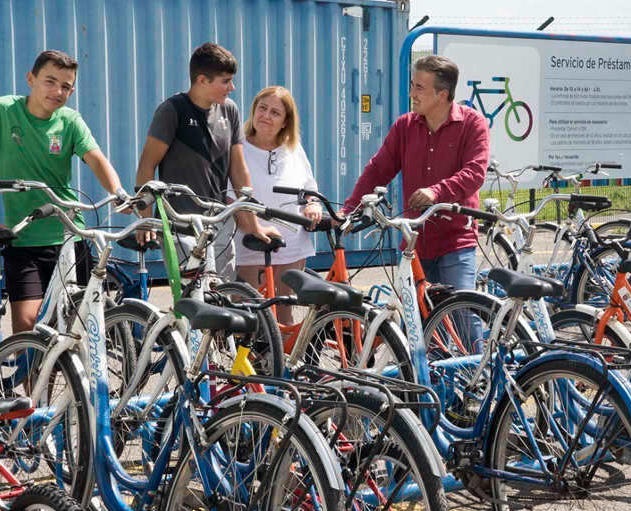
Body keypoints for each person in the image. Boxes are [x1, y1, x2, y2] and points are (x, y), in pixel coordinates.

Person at [0, 50, 125, 334]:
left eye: (66, 86)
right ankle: (35, 380)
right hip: (24, 239)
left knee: (81, 326)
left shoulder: (70, 121)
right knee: (29, 327)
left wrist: (119, 192)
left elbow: (97, 160)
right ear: (30, 79)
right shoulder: (3, 111)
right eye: (50, 81)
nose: (58, 91)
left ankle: (76, 379)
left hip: (70, 236)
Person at [343, 54, 489, 292]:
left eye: (419, 87)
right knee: (412, 322)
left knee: (461, 315)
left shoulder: (473, 124)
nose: (411, 94)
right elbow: (378, 170)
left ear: (442, 94)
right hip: (414, 241)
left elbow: (474, 173)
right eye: (412, 86)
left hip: (456, 241)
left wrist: (436, 192)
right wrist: (350, 210)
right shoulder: (405, 126)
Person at [135, 42, 278, 280]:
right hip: (181, 223)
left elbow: (238, 170)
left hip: (219, 220)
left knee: (222, 297)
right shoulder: (172, 111)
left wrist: (254, 225)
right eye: (225, 81)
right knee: (195, 302)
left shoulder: (230, 110)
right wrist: (146, 221)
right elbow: (146, 166)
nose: (232, 87)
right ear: (202, 80)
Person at [233, 86, 322, 325]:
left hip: (291, 244)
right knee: (249, 316)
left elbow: (308, 185)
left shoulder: (292, 149)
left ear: (285, 122)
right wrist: (251, 227)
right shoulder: (238, 146)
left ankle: (282, 362)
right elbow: (231, 197)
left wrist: (313, 203)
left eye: (275, 112)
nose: (266, 116)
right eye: (262, 108)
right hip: (251, 242)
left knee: (284, 313)